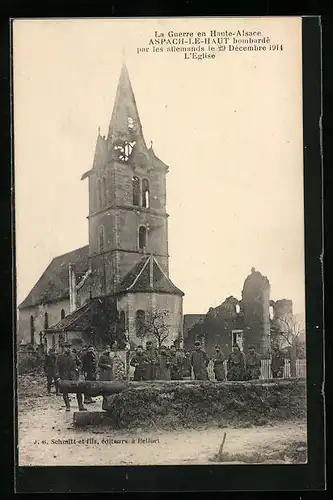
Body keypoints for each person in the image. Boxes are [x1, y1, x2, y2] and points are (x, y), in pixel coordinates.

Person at [55, 341, 86, 412]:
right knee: (65, 392)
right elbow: (56, 368)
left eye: (69, 347)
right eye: (66, 347)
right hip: (64, 377)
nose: (68, 349)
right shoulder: (60, 357)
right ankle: (67, 406)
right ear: (63, 348)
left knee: (78, 390)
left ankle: (80, 406)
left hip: (74, 377)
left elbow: (80, 364)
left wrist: (78, 369)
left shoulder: (74, 355)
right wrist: (58, 377)